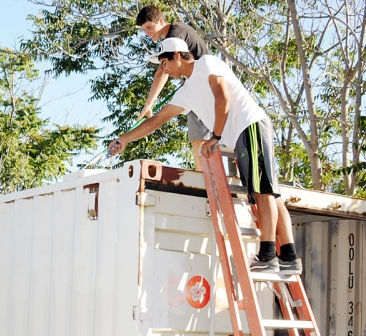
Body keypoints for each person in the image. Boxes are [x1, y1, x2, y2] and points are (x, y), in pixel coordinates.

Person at [108, 38, 302, 275]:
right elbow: (157, 120)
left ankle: (268, 255)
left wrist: (216, 137)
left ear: (178, 55)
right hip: (240, 133)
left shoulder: (207, 64)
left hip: (249, 125)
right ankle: (289, 256)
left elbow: (223, 98)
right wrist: (124, 139)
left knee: (263, 192)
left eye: (165, 63)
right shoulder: (187, 92)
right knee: (268, 191)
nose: (164, 69)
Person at [136, 5, 210, 170]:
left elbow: (163, 71)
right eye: (144, 30)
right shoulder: (175, 33)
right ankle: (203, 175)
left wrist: (149, 104)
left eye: (149, 27)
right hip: (198, 86)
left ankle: (203, 180)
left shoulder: (174, 34)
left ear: (161, 21)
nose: (148, 33)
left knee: (199, 138)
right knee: (198, 137)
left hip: (204, 87)